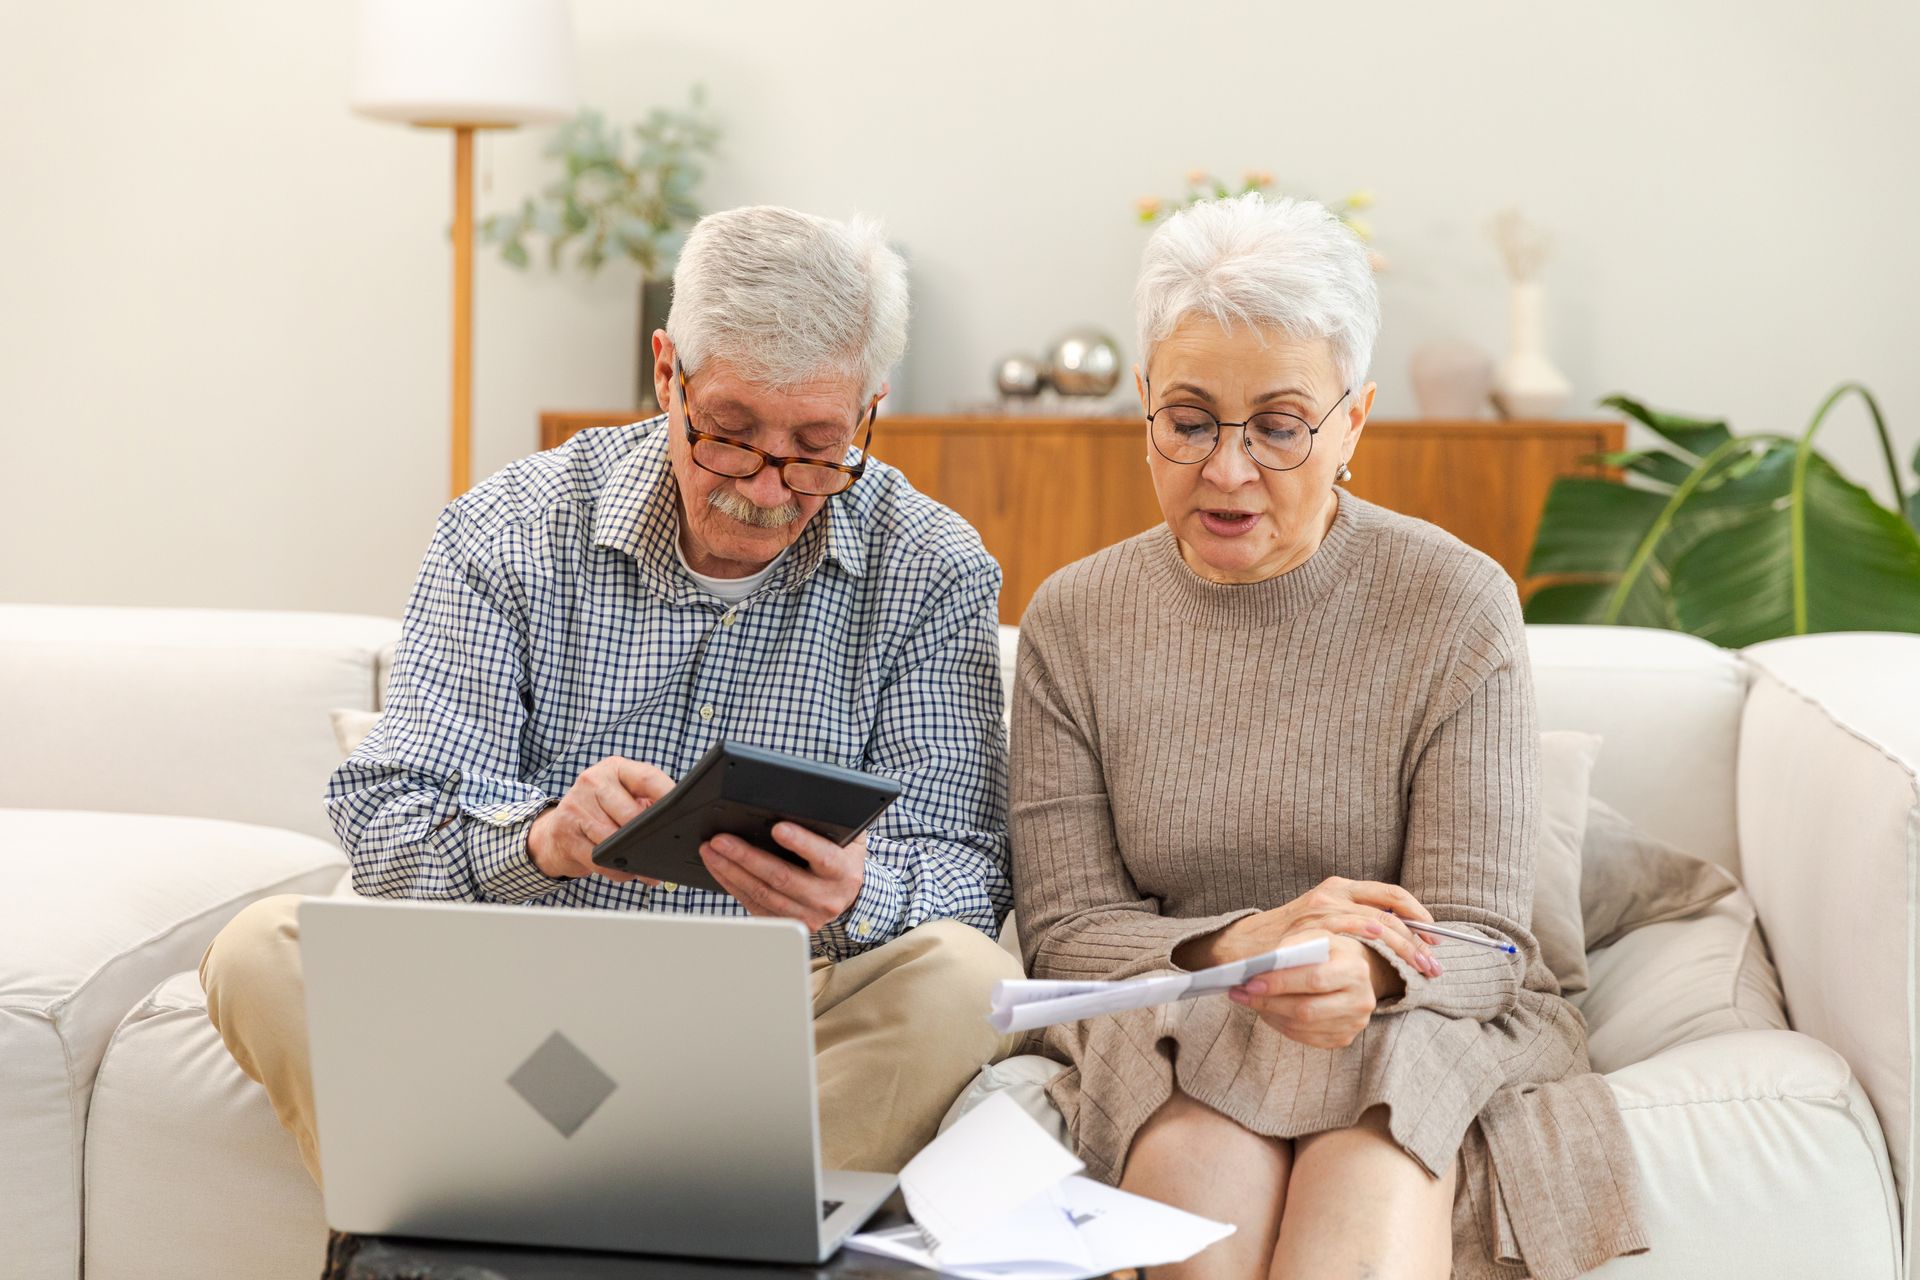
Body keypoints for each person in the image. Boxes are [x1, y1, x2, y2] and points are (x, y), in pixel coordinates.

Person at [202, 205, 1021, 1186]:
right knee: (258, 951)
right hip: (523, 999)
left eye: (816, 446)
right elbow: (387, 822)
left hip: (785, 1013)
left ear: (871, 407)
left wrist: (853, 895)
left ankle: (509, 1213)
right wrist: (542, 838)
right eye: (729, 435)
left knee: (972, 984)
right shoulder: (508, 527)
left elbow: (970, 872)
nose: (766, 490)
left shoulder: (932, 565)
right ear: (666, 371)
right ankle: (685, 1215)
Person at [1010, 194, 1646, 1280]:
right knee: (1198, 1186)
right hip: (1181, 1011)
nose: (1228, 470)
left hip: (1408, 1015)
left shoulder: (1454, 601)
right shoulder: (1074, 618)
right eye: (1190, 420)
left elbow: (1486, 936)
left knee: (1365, 1174)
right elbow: (1067, 933)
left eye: (1279, 425)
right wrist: (1242, 945)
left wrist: (1368, 968)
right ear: (1144, 404)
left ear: (1354, 421)